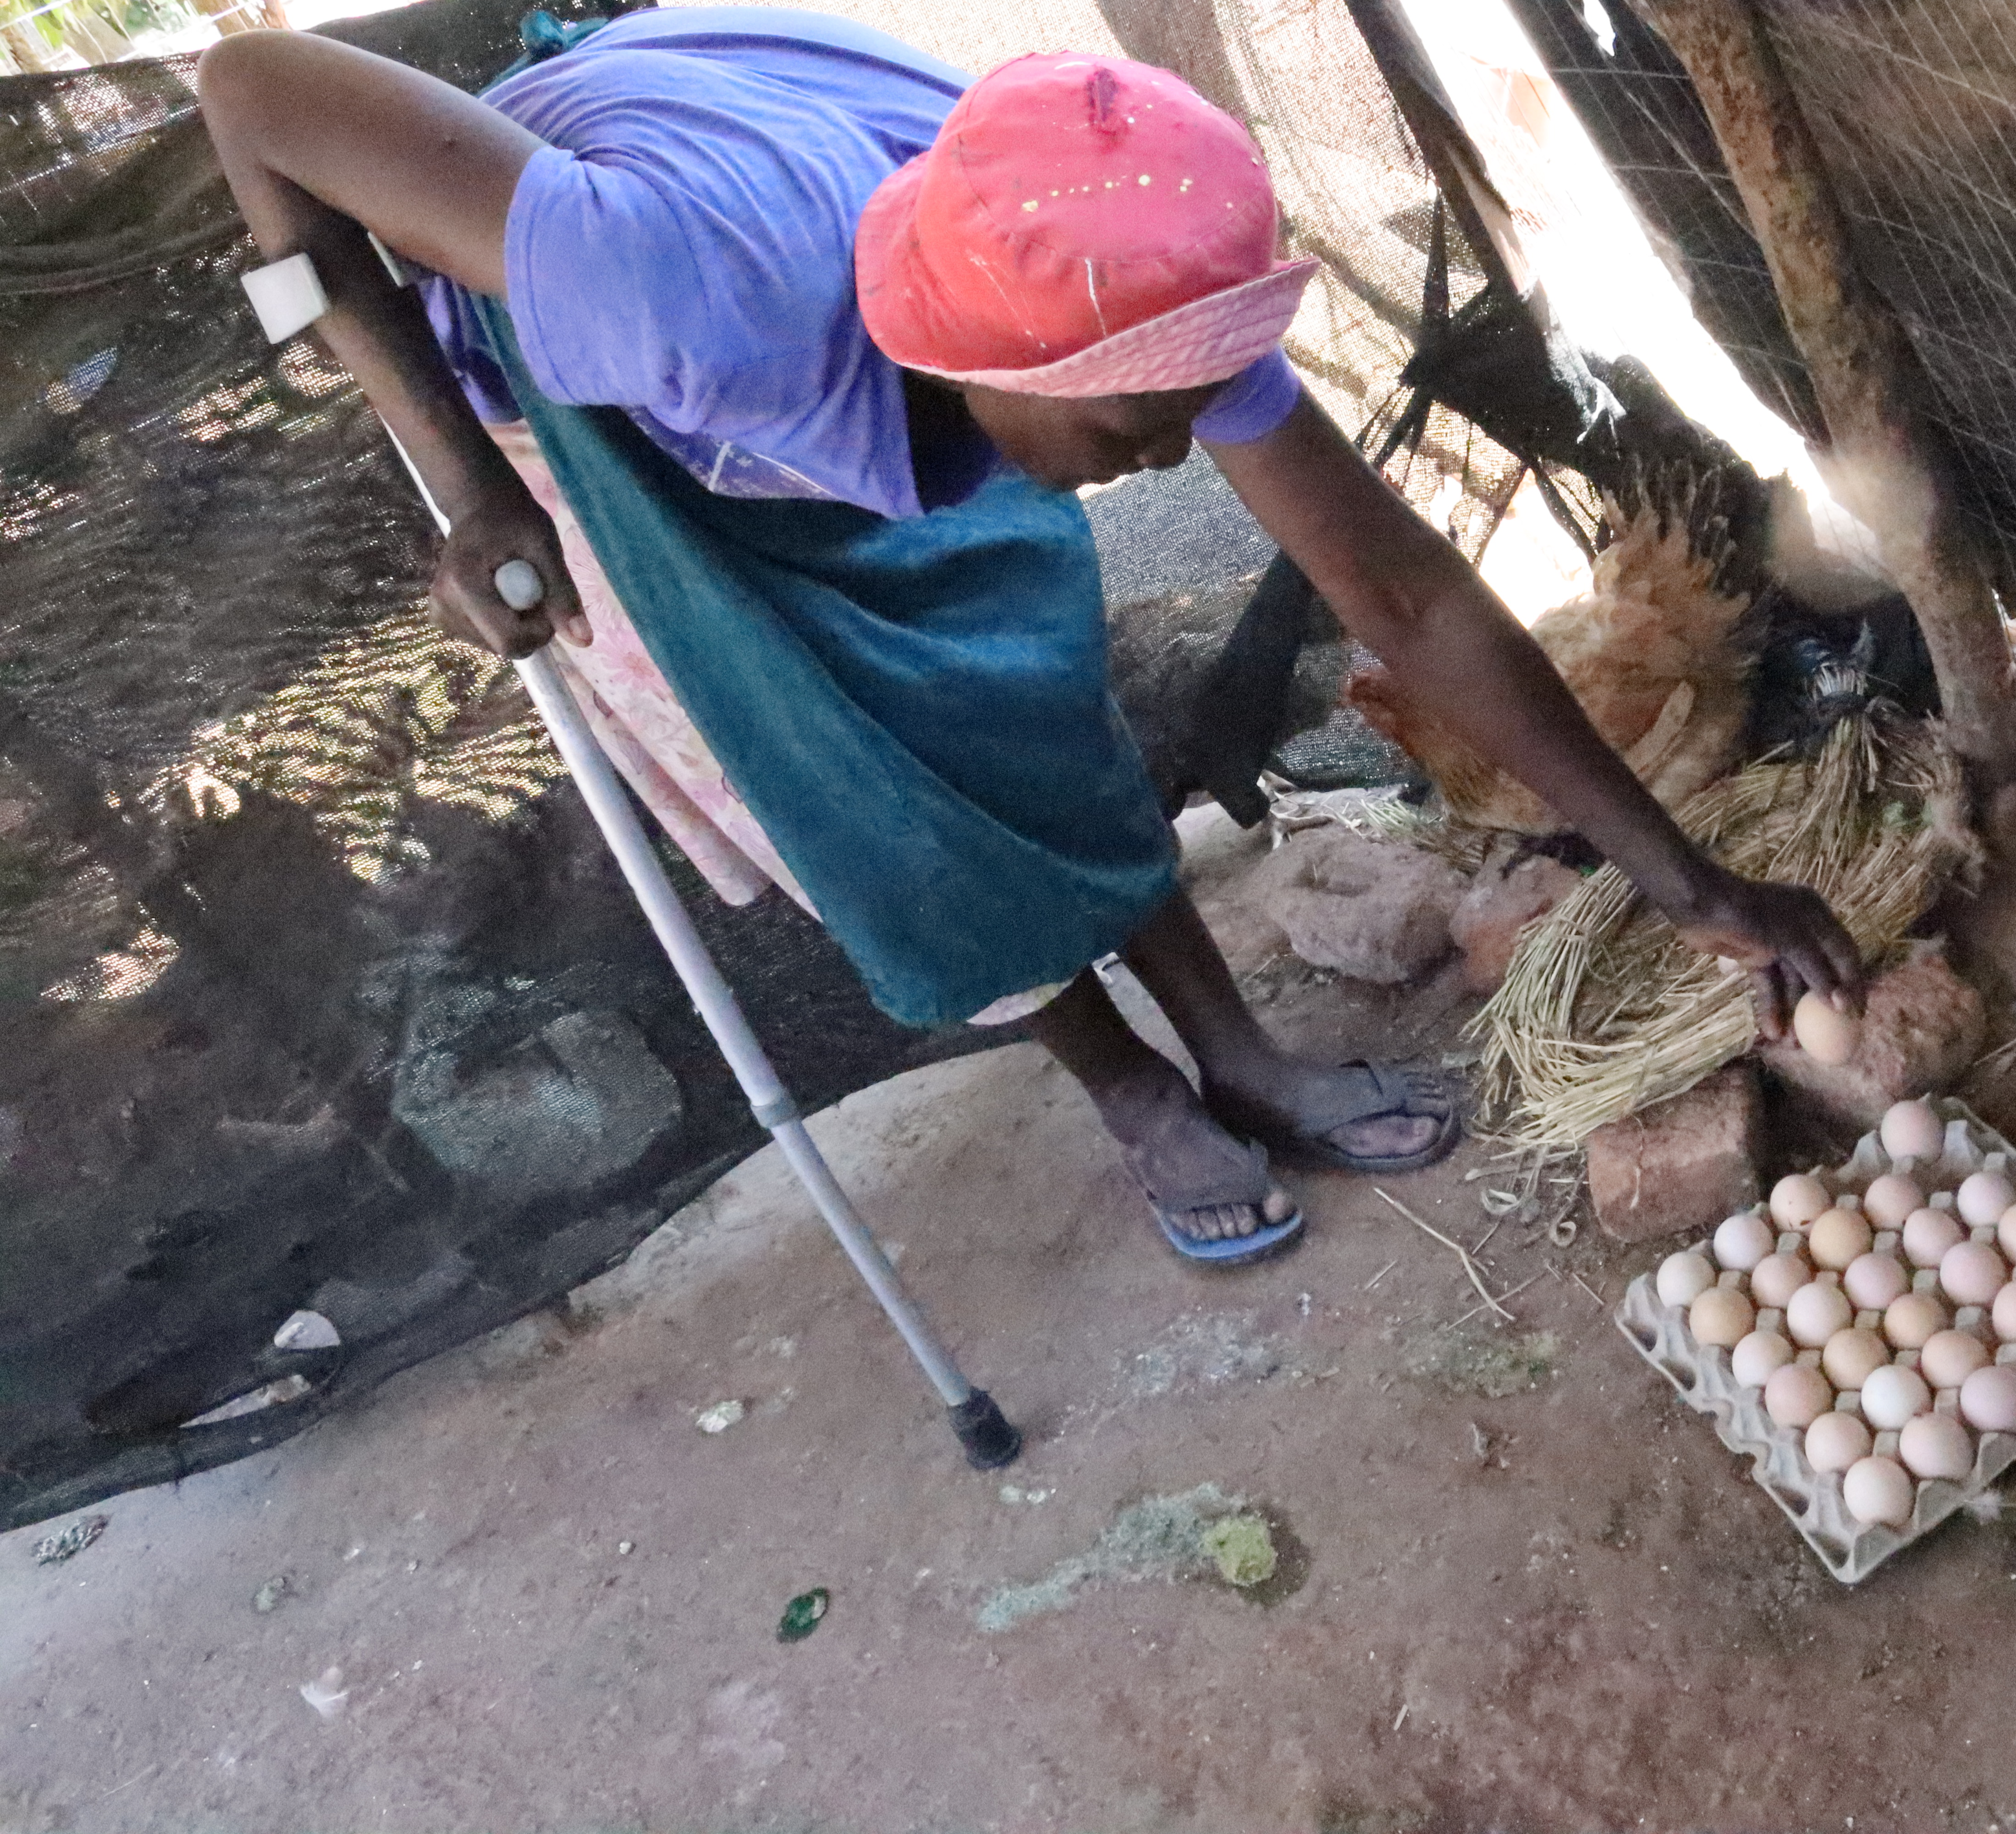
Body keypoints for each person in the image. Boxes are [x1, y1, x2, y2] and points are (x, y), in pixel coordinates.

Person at [195, 7, 1861, 1265]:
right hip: (596, 386)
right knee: (874, 799)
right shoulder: (671, 297)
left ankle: (1238, 1053)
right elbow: (252, 86)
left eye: (1190, 408)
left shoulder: (1129, 273)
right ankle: (1124, 1083)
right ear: (970, 363)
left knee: (1032, 692)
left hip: (810, 198)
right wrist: (458, 483)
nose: (1171, 455)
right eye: (1140, 430)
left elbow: (1403, 595)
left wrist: (1686, 877)